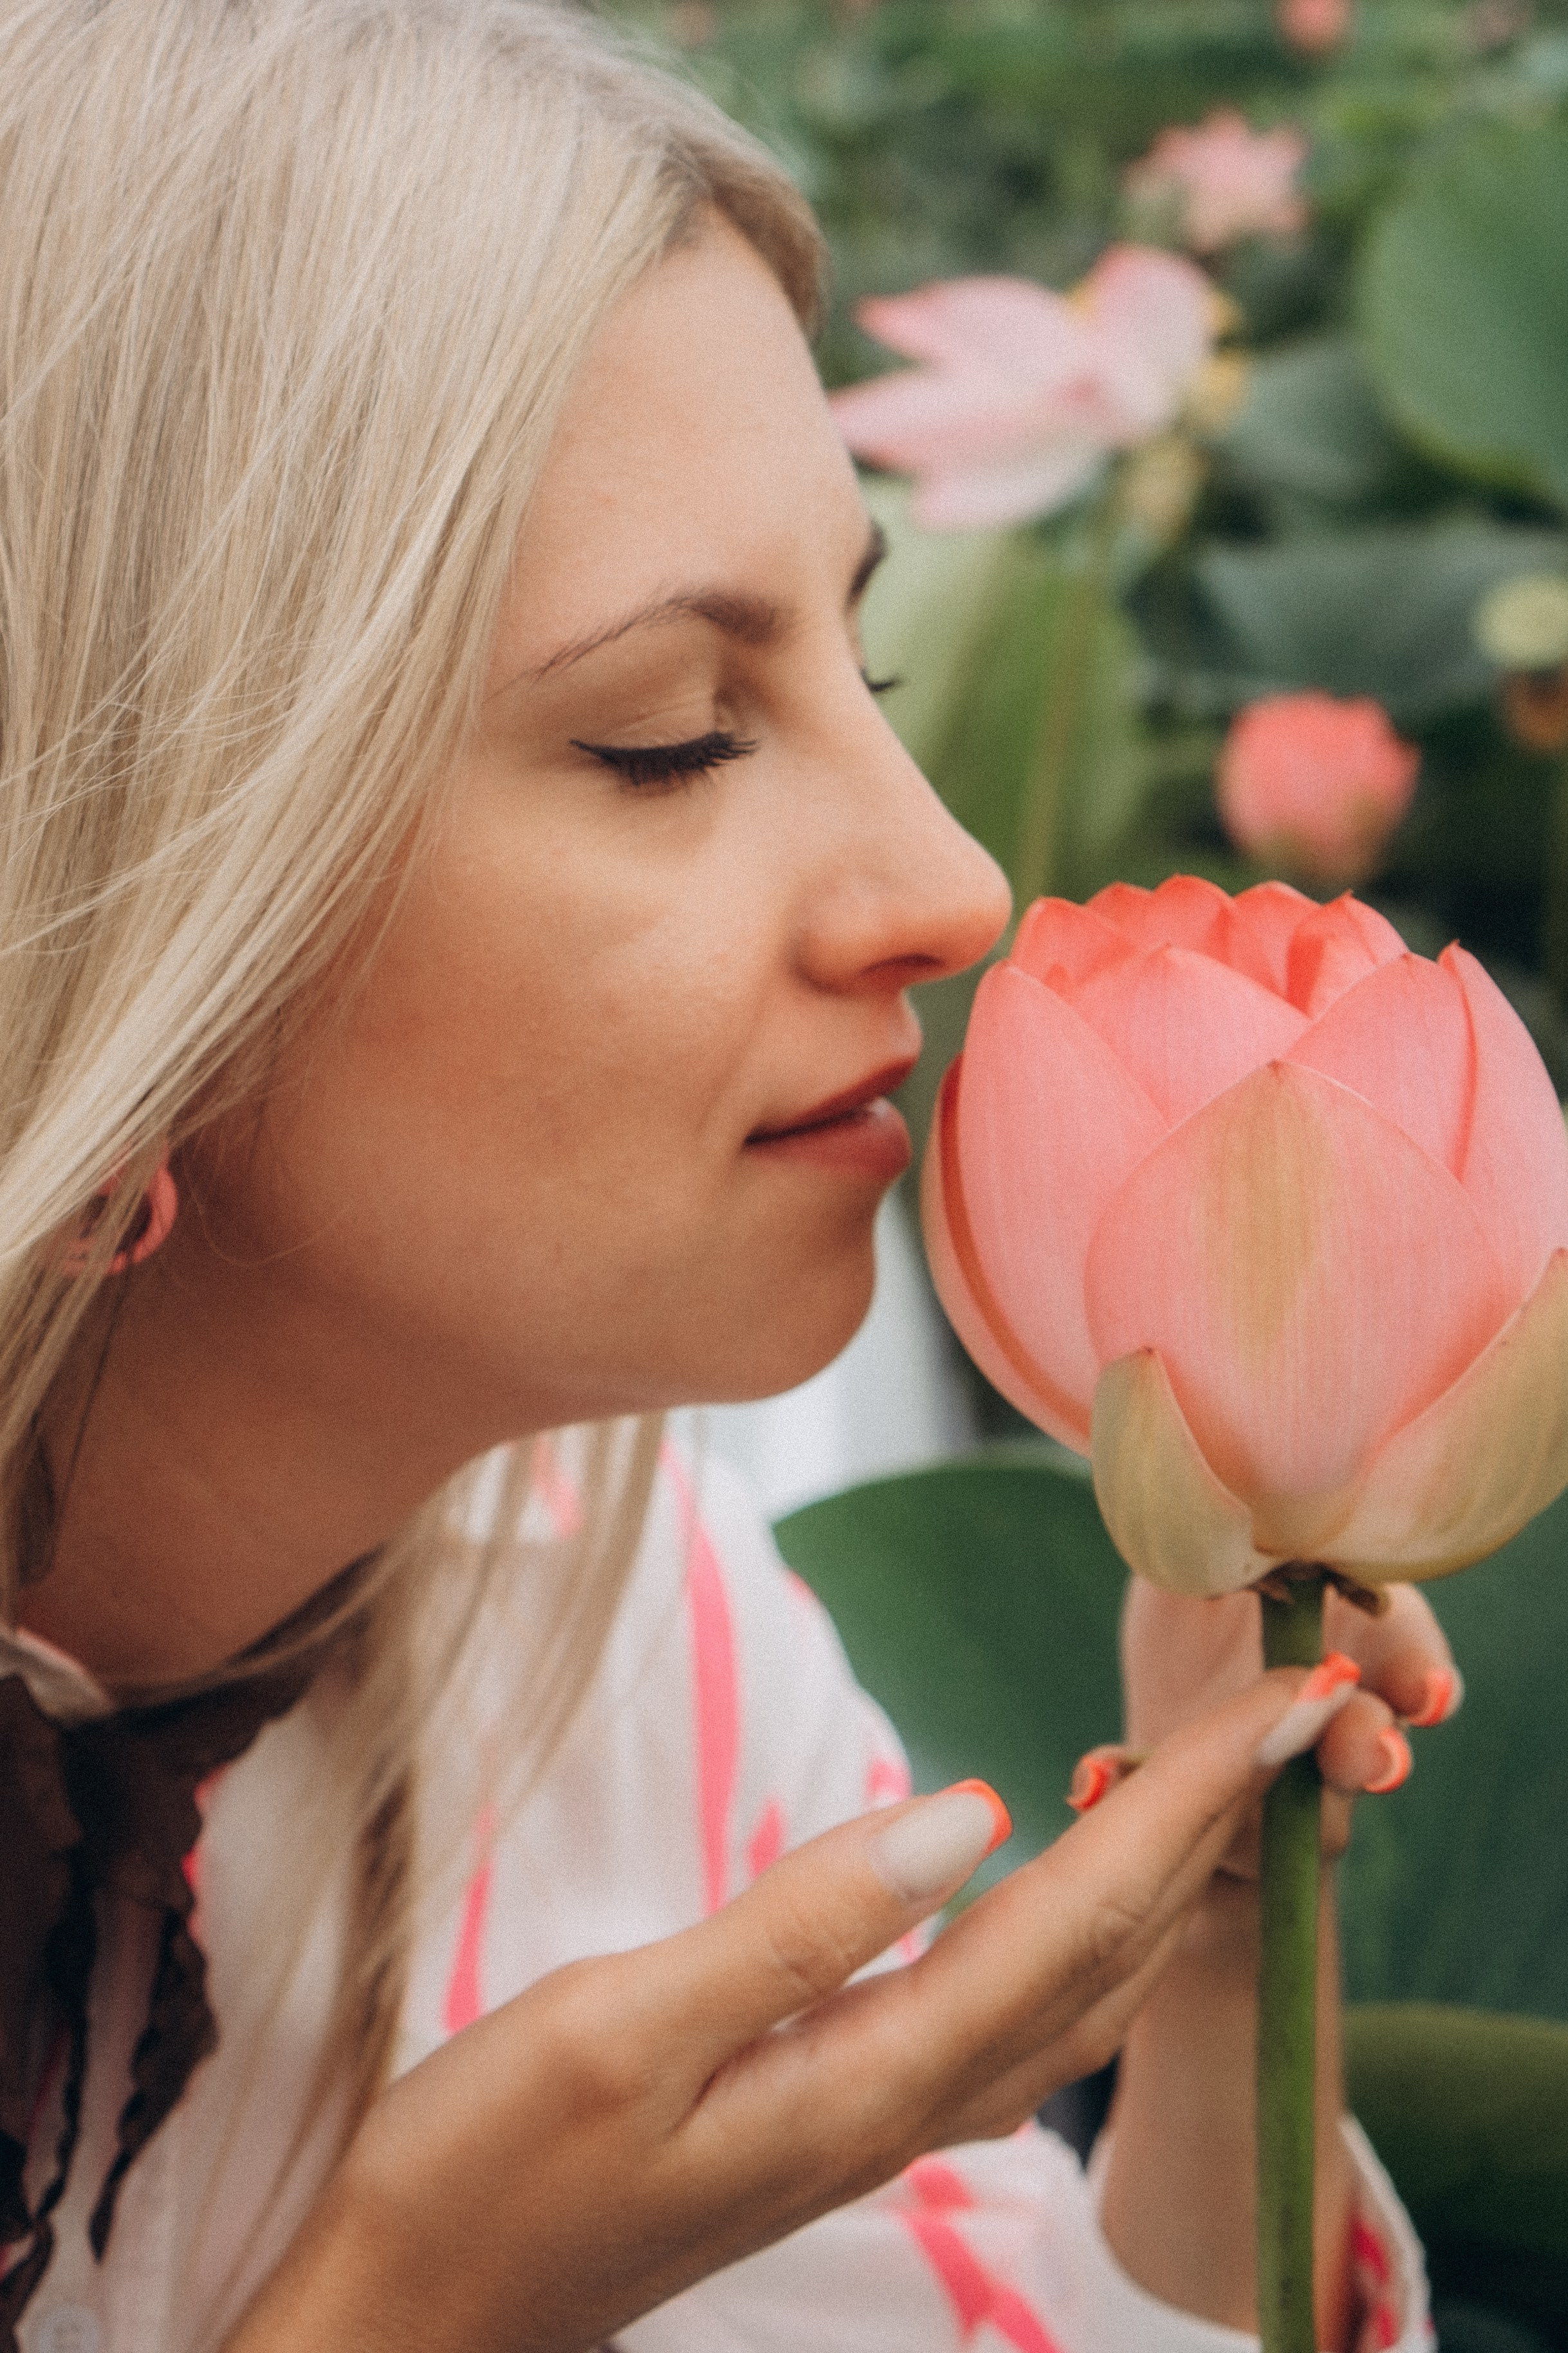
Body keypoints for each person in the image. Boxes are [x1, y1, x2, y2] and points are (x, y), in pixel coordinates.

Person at [0, 5, 1458, 2349]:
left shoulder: (625, 1608)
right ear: (119, 898)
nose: (954, 883)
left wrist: (1214, 1965)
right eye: (669, 736)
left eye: (862, 669)